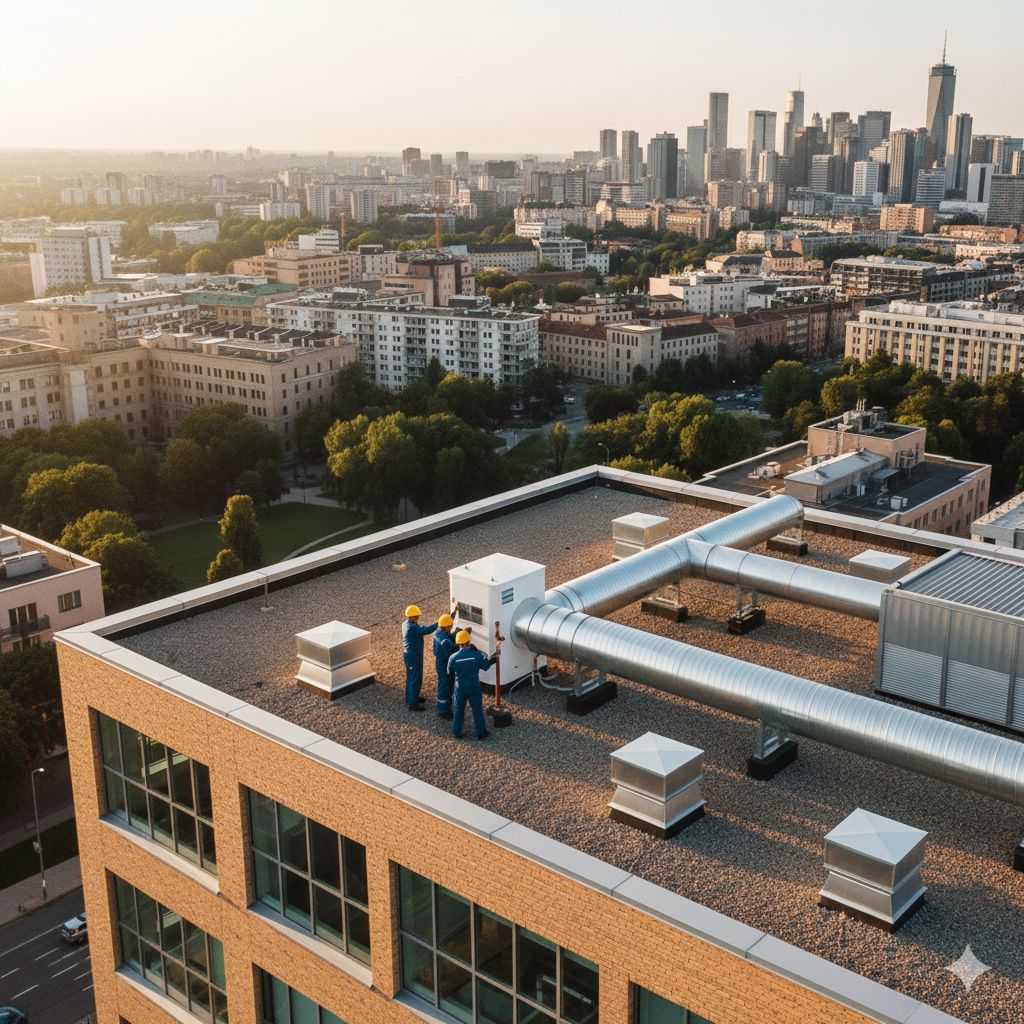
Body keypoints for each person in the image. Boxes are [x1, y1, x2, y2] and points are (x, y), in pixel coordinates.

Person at [447, 629, 501, 740]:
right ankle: (481, 732)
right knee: (477, 709)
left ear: (458, 643)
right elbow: (486, 666)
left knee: (458, 709)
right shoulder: (476, 655)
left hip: (460, 688)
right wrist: (492, 658)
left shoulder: (453, 657)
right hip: (474, 687)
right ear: (469, 641)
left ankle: (456, 731)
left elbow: (449, 671)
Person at [402, 605, 438, 712]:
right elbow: (426, 630)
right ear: (411, 617)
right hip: (414, 656)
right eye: (416, 617)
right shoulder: (412, 627)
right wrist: (437, 624)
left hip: (409, 655)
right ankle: (413, 704)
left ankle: (410, 698)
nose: (418, 618)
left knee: (410, 676)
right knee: (416, 679)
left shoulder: (405, 624)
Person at [433, 613, 458, 719]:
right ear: (447, 627)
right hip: (444, 665)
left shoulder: (438, 631)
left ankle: (445, 706)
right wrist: (462, 640)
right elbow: (452, 649)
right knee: (445, 686)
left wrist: (455, 611)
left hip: (440, 662)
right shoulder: (444, 640)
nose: (451, 628)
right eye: (451, 627)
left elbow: (447, 621)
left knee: (445, 685)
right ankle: (443, 710)